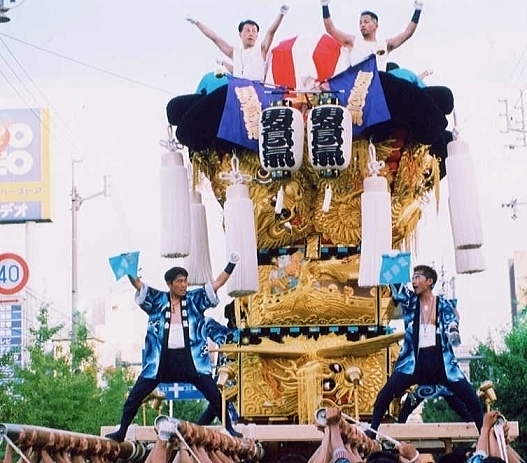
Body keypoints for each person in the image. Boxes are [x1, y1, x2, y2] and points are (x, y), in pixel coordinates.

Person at [105, 254, 242, 442]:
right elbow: (138, 285)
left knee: (214, 396)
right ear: (170, 284)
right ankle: (121, 431)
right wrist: (129, 269)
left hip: (191, 360)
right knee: (134, 396)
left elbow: (218, 283)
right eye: (179, 281)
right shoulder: (158, 300)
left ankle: (230, 429)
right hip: (161, 360)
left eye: (185, 281)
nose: (184, 285)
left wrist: (231, 264)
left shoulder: (194, 299)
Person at [368, 265, 483, 436]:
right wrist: (394, 262)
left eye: (417, 277)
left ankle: (484, 432)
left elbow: (451, 321)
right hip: (414, 362)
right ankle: (372, 430)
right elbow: (397, 287)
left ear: (429, 281)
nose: (413, 281)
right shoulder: (411, 301)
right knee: (385, 394)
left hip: (441, 363)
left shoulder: (443, 303)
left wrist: (453, 330)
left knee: (471, 398)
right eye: (413, 278)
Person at [186, 5, 289, 82]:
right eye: (247, 30)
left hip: (257, 92)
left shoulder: (262, 49)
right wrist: (196, 22)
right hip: (238, 92)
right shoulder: (234, 52)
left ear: (257, 35)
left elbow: (271, 32)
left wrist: (281, 14)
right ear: (240, 34)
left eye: (254, 31)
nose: (251, 34)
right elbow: (215, 38)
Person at [320, 0, 424, 71]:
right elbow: (331, 29)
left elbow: (407, 33)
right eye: (360, 23)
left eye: (366, 21)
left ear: (375, 25)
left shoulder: (385, 45)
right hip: (358, 90)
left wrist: (418, 10)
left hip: (378, 88)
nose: (362, 25)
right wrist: (325, 5)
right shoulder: (353, 42)